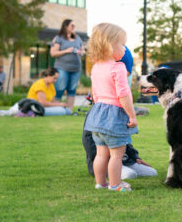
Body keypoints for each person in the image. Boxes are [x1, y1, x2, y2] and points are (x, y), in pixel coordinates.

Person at [83, 23, 138, 192]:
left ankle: (100, 183)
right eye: (122, 44)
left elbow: (95, 94)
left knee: (101, 154)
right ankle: (115, 185)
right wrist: (132, 115)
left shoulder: (96, 68)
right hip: (113, 116)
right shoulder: (118, 67)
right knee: (116, 155)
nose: (124, 49)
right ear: (109, 46)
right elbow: (123, 94)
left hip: (96, 116)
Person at [50, 19, 85, 109]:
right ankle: (54, 109)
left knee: (72, 90)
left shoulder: (78, 38)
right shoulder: (58, 38)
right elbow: (53, 53)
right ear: (66, 26)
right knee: (60, 88)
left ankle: (69, 110)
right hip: (62, 68)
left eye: (74, 26)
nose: (74, 27)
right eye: (72, 25)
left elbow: (83, 50)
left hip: (76, 69)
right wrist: (67, 51)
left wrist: (81, 52)